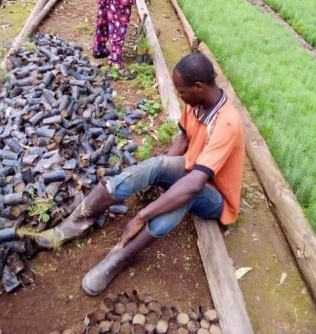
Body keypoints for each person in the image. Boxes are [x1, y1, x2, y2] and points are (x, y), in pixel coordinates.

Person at [36, 53, 245, 296]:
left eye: (182, 91)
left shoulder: (227, 123)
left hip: (215, 196)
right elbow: (185, 137)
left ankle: (121, 256)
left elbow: (194, 184)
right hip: (192, 170)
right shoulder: (196, 104)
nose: (180, 96)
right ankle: (76, 222)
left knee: (181, 200)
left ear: (199, 87)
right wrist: (160, 172)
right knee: (154, 165)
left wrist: (141, 216)